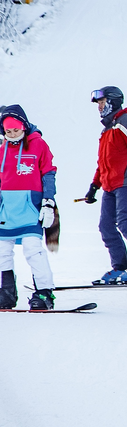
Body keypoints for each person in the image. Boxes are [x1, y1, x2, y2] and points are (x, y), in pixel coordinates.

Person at [83, 87, 127, 285]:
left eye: (102, 102)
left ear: (113, 101)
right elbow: (103, 162)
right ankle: (121, 268)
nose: (99, 107)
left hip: (126, 182)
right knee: (106, 227)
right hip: (109, 185)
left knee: (125, 223)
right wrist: (94, 186)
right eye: (98, 103)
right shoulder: (107, 129)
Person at [0, 106, 58, 310]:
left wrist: (49, 201)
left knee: (33, 249)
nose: (12, 135)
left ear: (24, 127)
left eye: (16, 130)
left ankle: (44, 293)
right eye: (8, 132)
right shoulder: (2, 149)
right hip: (7, 209)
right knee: (2, 251)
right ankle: (6, 293)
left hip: (31, 207)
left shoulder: (38, 144)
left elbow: (48, 173)